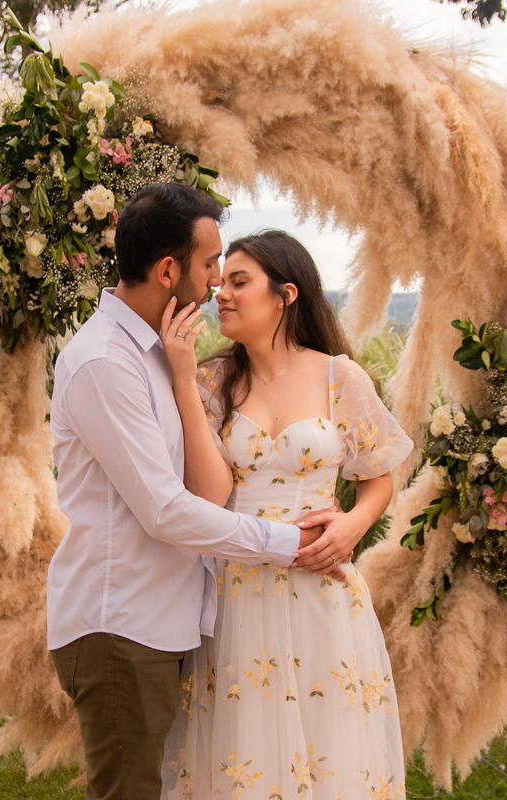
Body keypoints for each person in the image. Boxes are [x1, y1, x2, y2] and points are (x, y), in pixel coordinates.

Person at [47, 184, 342, 800]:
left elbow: (204, 490)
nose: (215, 283)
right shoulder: (106, 363)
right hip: (121, 627)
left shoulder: (161, 354)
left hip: (166, 624)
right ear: (167, 270)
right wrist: (289, 541)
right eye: (210, 266)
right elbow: (164, 510)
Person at [159, 230, 414, 799]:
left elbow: (378, 474)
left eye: (239, 282)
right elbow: (208, 490)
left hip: (321, 588)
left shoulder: (338, 376)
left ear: (285, 294)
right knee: (239, 747)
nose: (221, 293)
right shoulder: (210, 381)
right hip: (237, 588)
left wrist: (353, 524)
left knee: (329, 745)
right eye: (221, 282)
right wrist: (181, 380)